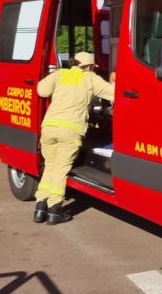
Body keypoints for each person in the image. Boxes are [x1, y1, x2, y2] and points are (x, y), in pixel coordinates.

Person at [33, 51, 115, 225]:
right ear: (89, 66)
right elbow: (114, 93)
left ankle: (40, 208)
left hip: (49, 128)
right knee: (61, 169)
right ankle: (54, 210)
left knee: (50, 166)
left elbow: (41, 90)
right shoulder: (90, 78)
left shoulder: (60, 74)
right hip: (70, 130)